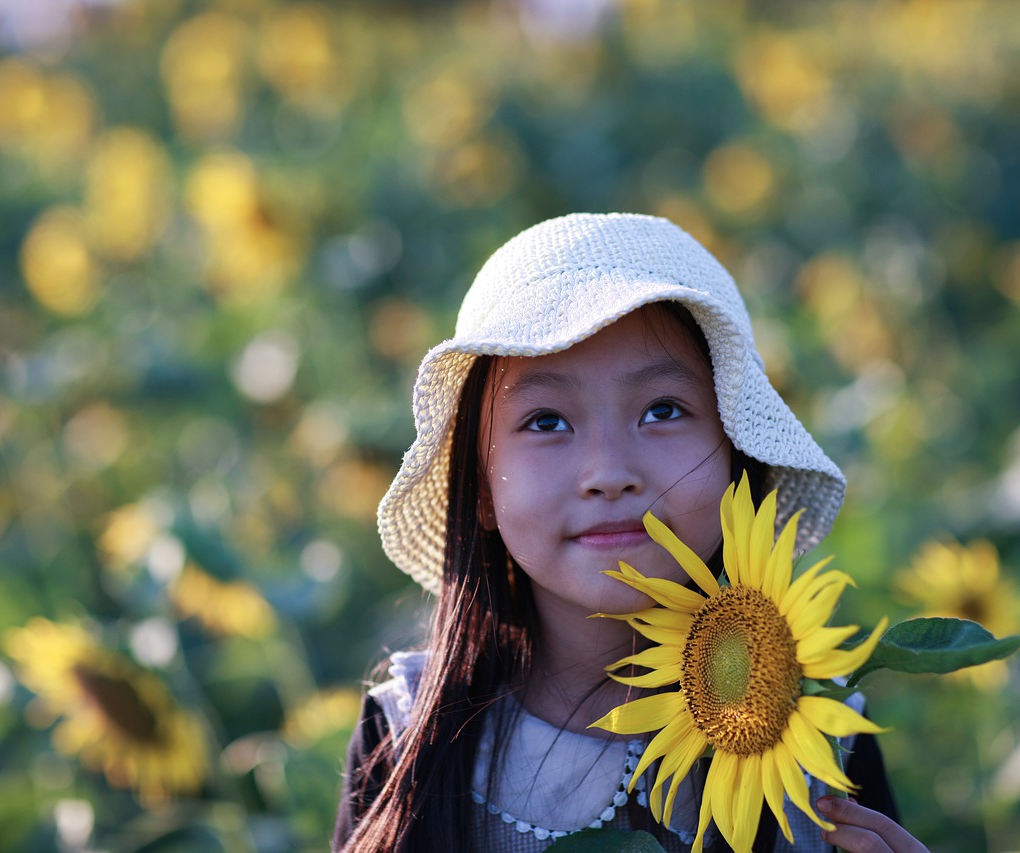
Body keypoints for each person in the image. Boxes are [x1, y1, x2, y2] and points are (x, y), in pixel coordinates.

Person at [333, 213, 928, 853]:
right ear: (481, 488)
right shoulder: (409, 737)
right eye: (547, 421)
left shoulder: (819, 731)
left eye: (662, 410)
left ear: (737, 454)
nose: (610, 474)